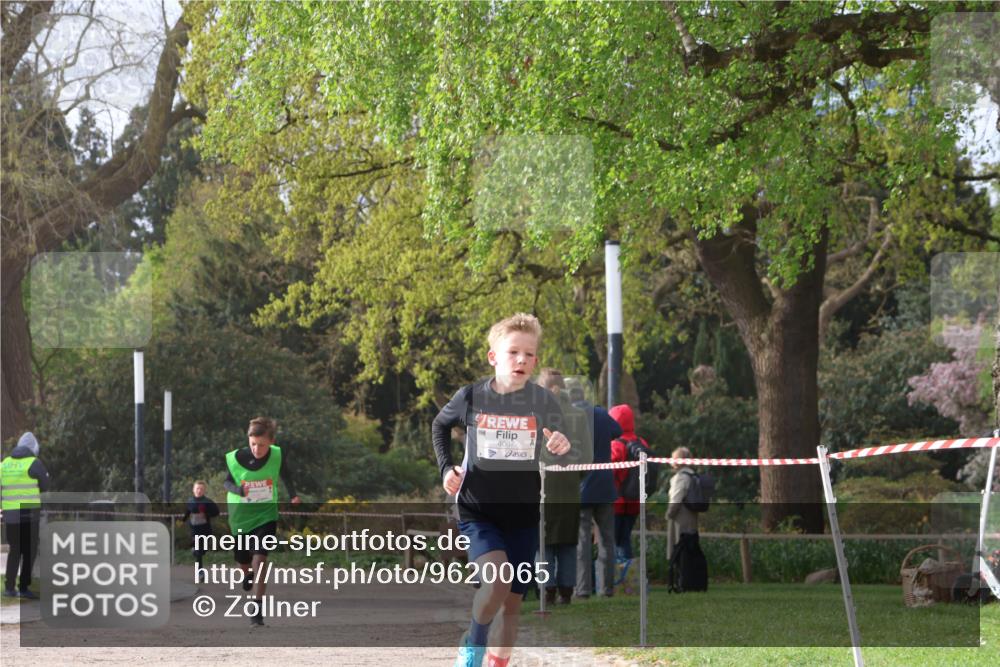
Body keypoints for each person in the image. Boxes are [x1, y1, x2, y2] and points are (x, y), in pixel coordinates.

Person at [432, 313, 574, 667]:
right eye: (513, 352)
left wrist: (560, 443)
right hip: (478, 510)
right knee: (497, 581)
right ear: (493, 357)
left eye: (529, 354)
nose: (522, 360)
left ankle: (498, 662)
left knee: (512, 605)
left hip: (523, 514)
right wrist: (446, 468)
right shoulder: (471, 397)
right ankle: (473, 645)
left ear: (536, 360)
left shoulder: (543, 401)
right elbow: (440, 424)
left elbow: (560, 442)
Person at [224, 417, 301, 626]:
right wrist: (238, 490)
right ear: (248, 440)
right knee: (243, 561)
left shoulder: (277, 455)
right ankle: (247, 574)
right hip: (240, 516)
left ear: (272, 442)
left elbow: (286, 475)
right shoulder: (237, 457)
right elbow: (227, 482)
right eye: (253, 444)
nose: (257, 449)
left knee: (260, 560)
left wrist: (293, 495)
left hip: (266, 514)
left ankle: (257, 609)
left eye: (262, 445)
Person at [536, 368, 592, 606]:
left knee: (544, 540)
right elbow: (587, 457)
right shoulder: (579, 415)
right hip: (570, 486)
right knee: (568, 541)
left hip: (542, 485)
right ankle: (566, 590)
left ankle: (546, 589)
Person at [571, 381, 622, 599]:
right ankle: (606, 589)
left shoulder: (570, 417)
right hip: (604, 483)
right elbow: (617, 430)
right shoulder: (600, 414)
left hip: (581, 486)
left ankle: (582, 589)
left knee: (582, 540)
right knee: (607, 540)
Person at [1, 432, 50, 599]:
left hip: (11, 517)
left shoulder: (5, 464)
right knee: (29, 551)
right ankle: (23, 587)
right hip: (29, 516)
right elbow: (45, 485)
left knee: (14, 550)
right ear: (33, 448)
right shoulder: (34, 463)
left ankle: (8, 587)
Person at [609, 404, 649, 561]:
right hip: (635, 501)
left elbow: (609, 472)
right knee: (624, 539)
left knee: (613, 542)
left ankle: (619, 580)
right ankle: (630, 579)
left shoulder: (616, 444)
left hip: (617, 501)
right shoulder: (642, 443)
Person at [667, 446, 708, 592]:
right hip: (692, 518)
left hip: (680, 518)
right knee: (691, 548)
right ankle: (692, 581)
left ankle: (683, 581)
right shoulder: (693, 476)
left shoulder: (680, 478)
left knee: (680, 549)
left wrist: (669, 514)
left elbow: (676, 499)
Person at [181, 480, 220, 572]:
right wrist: (182, 521)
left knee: (203, 550)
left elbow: (216, 512)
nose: (199, 490)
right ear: (193, 490)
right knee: (199, 550)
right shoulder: (190, 501)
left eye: (201, 489)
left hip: (205, 529)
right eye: (197, 488)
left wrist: (206, 514)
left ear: (204, 490)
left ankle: (195, 551)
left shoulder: (208, 501)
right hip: (194, 529)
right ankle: (200, 571)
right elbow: (188, 511)